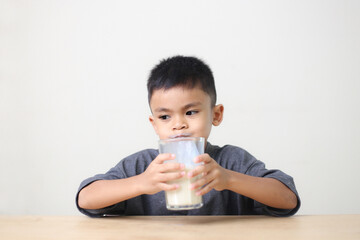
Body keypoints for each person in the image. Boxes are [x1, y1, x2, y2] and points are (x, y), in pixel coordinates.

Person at [76, 56, 300, 217]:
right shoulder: (143, 165)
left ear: (216, 114)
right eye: (165, 117)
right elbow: (86, 198)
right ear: (154, 124)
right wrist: (141, 183)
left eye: (191, 112)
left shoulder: (231, 161)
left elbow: (288, 199)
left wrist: (229, 179)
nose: (179, 124)